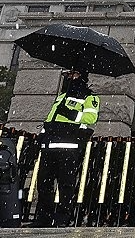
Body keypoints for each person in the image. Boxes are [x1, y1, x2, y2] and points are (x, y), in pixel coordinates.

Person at [30, 68, 100, 227]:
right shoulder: (61, 96)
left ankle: (62, 218)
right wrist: (41, 137)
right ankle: (43, 219)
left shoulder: (90, 97)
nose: (69, 77)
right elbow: (51, 119)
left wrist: (70, 114)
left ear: (81, 76)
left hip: (69, 147)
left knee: (66, 185)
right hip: (49, 146)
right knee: (43, 184)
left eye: (72, 74)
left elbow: (91, 117)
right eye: (67, 75)